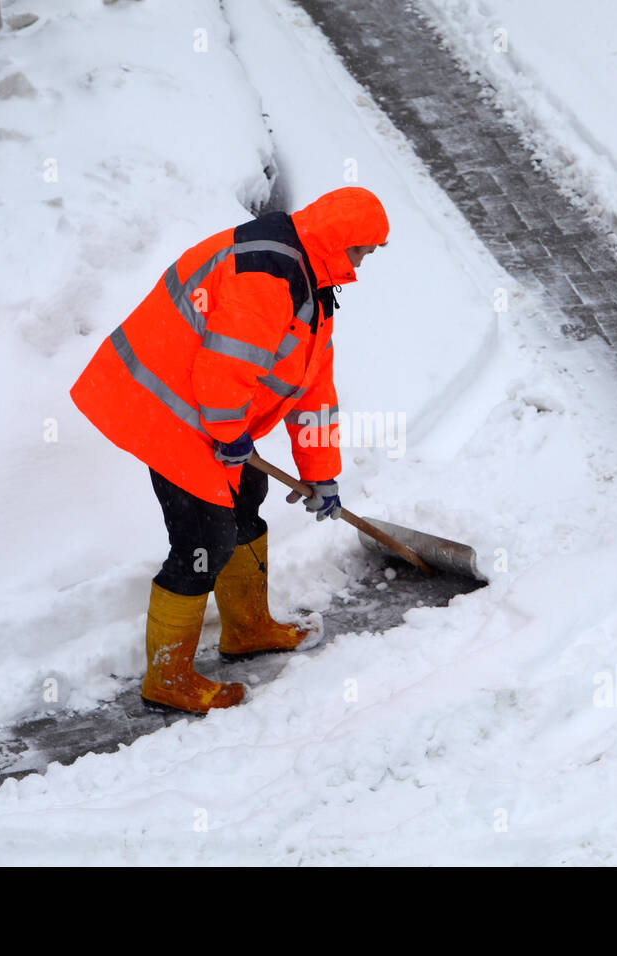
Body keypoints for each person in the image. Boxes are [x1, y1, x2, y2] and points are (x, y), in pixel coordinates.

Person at [70, 186, 389, 713]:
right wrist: (229, 434)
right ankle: (167, 679)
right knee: (204, 537)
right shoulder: (268, 277)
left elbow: (313, 388)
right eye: (362, 251)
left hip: (203, 408)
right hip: (161, 402)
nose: (362, 263)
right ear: (339, 240)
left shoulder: (314, 282)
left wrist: (322, 471)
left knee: (248, 491)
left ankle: (247, 630)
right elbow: (221, 374)